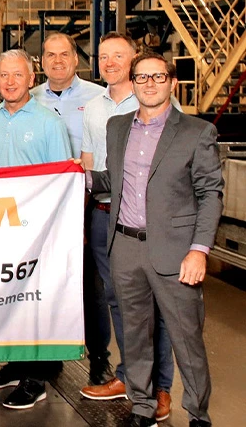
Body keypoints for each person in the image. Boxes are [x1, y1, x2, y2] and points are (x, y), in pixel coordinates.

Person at [86, 51, 222, 427]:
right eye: (142, 78)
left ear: (172, 82)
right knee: (135, 336)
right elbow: (114, 182)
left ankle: (198, 415)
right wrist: (77, 178)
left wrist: (199, 251)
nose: (149, 84)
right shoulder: (117, 127)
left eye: (158, 77)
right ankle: (142, 406)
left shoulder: (197, 132)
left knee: (186, 339)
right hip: (125, 249)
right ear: (132, 83)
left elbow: (211, 193)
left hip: (176, 253)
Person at [79, 33, 174, 422]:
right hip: (105, 218)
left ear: (136, 59)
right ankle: (130, 377)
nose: (110, 62)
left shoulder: (155, 98)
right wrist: (81, 219)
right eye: (103, 56)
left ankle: (160, 387)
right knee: (119, 300)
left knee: (158, 306)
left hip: (148, 222)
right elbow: (86, 166)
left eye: (119, 55)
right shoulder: (93, 108)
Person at [0, 49, 72, 410]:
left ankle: (36, 377)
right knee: (8, 300)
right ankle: (14, 365)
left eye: (18, 75)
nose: (10, 82)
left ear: (32, 79)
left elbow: (63, 179)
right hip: (0, 230)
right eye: (4, 76)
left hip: (39, 231)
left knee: (36, 300)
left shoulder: (50, 123)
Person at [29, 32, 108, 386]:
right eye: (50, 55)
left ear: (76, 59)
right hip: (43, 209)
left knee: (91, 285)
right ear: (41, 62)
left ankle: (100, 358)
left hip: (88, 203)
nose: (57, 61)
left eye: (64, 55)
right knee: (43, 282)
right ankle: (49, 358)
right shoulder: (29, 99)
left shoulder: (98, 97)